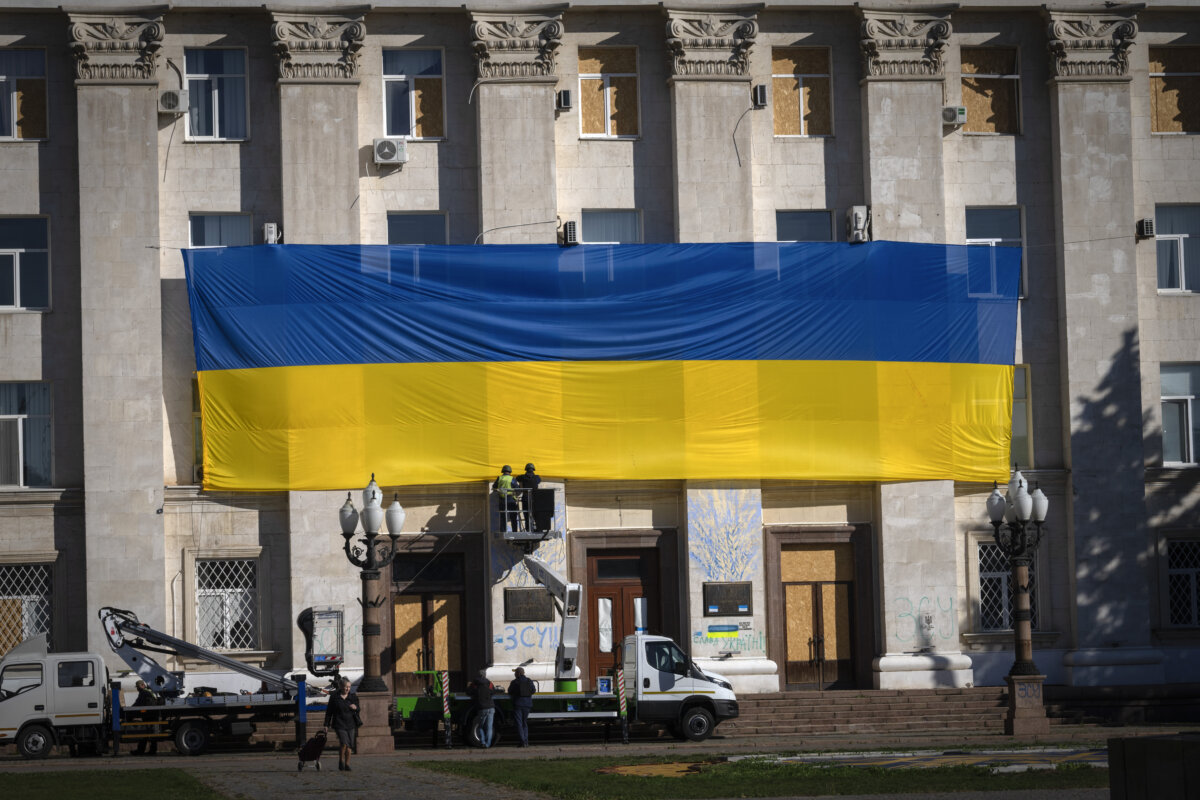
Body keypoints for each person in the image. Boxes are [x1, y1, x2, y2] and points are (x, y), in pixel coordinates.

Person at [323, 676, 360, 771]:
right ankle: (341, 761)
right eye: (345, 687)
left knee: (349, 745)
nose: (347, 689)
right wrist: (326, 725)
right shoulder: (334, 697)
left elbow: (358, 708)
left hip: (351, 723)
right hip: (339, 724)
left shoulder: (353, 697)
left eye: (349, 687)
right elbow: (329, 712)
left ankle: (347, 764)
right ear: (341, 686)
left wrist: (355, 707)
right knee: (344, 743)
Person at [507, 666, 535, 747]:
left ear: (518, 673)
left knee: (519, 723)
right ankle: (526, 741)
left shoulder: (515, 682)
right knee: (524, 723)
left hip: (518, 704)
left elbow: (509, 691)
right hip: (527, 705)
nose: (514, 674)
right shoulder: (529, 681)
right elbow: (533, 690)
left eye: (515, 673)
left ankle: (522, 741)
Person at [468, 670, 497, 748]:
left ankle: (483, 742)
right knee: (489, 727)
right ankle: (488, 744)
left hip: (482, 708)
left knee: (481, 726)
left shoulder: (475, 684)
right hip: (491, 707)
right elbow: (493, 691)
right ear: (485, 675)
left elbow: (469, 692)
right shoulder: (489, 683)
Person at [132, 679, 159, 755]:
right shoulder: (148, 692)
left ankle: (142, 751)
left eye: (138, 687)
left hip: (149, 716)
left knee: (146, 734)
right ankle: (149, 751)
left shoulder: (144, 693)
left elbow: (138, 703)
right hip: (152, 715)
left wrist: (129, 710)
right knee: (150, 734)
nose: (137, 689)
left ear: (143, 685)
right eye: (137, 687)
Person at [493, 465, 521, 531]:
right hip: (511, 499)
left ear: (503, 471)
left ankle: (503, 530)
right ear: (510, 471)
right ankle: (514, 531)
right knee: (513, 516)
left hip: (502, 499)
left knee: (503, 516)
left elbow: (494, 486)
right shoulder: (512, 479)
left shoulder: (499, 478)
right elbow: (517, 488)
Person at [515, 463, 541, 532]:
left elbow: (517, 478)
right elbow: (539, 481)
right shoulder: (537, 477)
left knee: (526, 515)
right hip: (535, 498)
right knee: (535, 514)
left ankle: (528, 529)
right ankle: (538, 528)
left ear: (526, 469)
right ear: (533, 469)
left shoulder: (523, 477)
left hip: (526, 498)